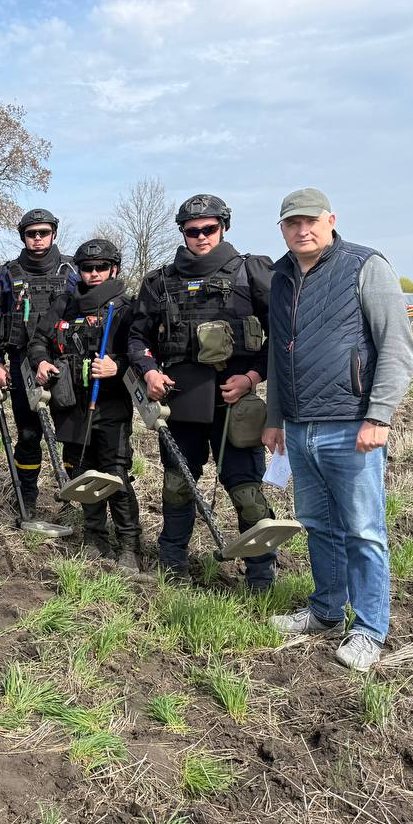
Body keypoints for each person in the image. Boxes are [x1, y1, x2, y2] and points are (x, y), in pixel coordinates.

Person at [263, 188, 413, 672]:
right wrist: (274, 418)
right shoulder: (282, 277)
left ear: (330, 220)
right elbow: (278, 354)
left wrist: (379, 416)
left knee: (364, 531)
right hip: (300, 427)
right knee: (317, 525)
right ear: (283, 229)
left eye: (310, 221)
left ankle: (370, 628)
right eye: (292, 223)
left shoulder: (365, 266)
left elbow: (398, 346)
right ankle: (326, 611)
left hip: (352, 426)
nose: (301, 230)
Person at [127, 193, 277, 589]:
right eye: (192, 231)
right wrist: (149, 370)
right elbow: (136, 336)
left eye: (209, 229)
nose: (201, 237)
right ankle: (172, 561)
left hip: (236, 402)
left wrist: (252, 378)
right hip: (180, 401)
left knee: (246, 490)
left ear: (223, 227)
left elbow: (283, 337)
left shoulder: (253, 273)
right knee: (178, 483)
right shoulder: (159, 282)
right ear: (183, 233)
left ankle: (261, 573)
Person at [28, 239, 141, 569]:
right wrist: (41, 362)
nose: (93, 274)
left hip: (111, 406)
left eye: (101, 268)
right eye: (87, 268)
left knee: (116, 475)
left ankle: (130, 546)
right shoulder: (64, 303)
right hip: (70, 403)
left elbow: (142, 352)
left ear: (113, 269)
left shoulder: (124, 307)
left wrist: (117, 366)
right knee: (83, 473)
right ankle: (94, 537)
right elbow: (39, 341)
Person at [0, 208, 78, 515]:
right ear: (23, 236)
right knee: (28, 434)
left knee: (72, 433)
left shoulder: (74, 270)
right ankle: (27, 497)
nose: (37, 239)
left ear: (54, 233)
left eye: (43, 233)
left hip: (65, 363)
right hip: (22, 364)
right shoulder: (5, 274)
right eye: (31, 233)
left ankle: (74, 500)